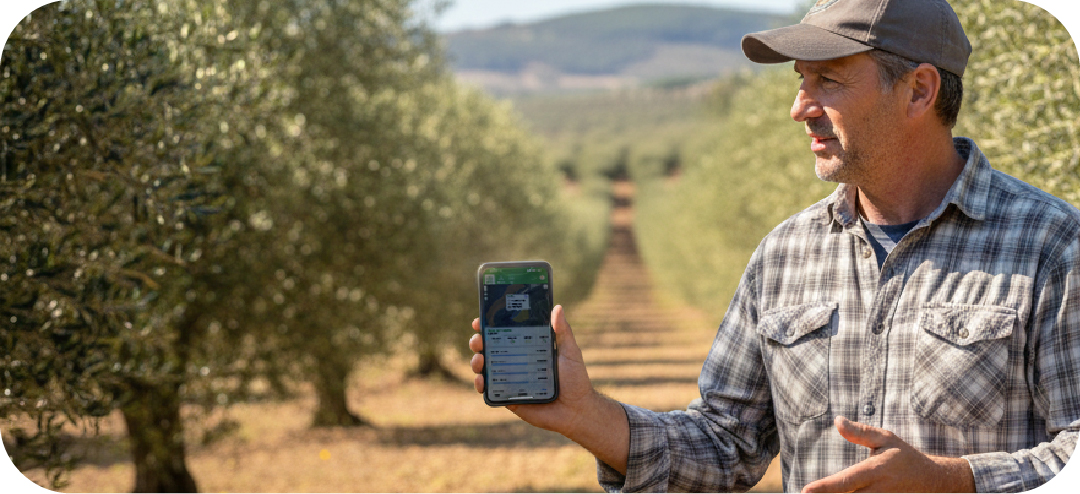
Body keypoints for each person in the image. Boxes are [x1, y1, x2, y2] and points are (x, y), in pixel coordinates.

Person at [468, 0, 1079, 491]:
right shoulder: (784, 256)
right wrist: (585, 415)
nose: (799, 108)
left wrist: (954, 484)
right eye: (800, 82)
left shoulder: (1052, 247)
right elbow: (726, 444)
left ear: (919, 90)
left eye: (828, 81)